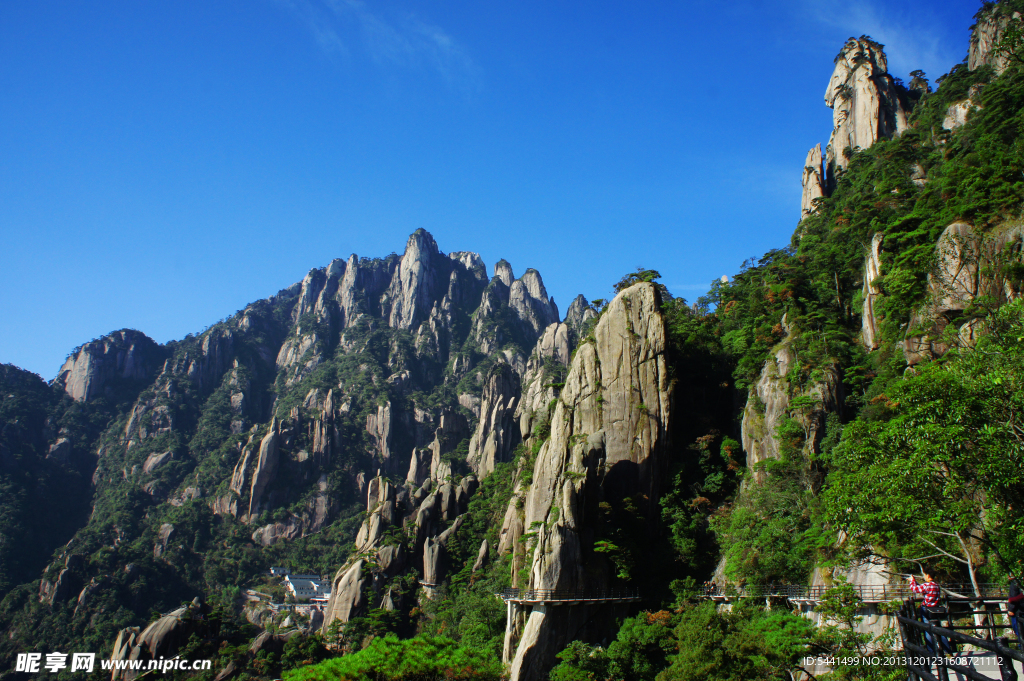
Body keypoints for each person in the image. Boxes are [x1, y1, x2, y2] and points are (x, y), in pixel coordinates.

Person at [909, 572, 951, 654]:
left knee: (927, 630)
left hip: (926, 609)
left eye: (924, 575)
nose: (924, 577)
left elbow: (915, 589)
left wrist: (912, 581)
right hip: (935, 610)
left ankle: (931, 652)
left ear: (928, 575)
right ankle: (947, 651)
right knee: (939, 629)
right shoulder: (936, 585)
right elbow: (923, 588)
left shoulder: (927, 585)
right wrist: (914, 581)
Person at [1007, 572, 1024, 651]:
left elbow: (1013, 598)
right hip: (1020, 610)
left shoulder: (1015, 583)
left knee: (1020, 632)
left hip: (1018, 612)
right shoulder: (1018, 583)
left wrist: (1011, 609)